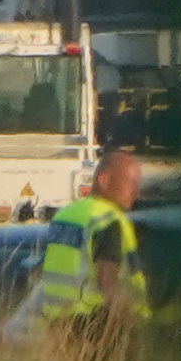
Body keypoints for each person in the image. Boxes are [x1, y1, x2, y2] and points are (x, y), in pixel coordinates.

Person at [38, 145, 145, 342]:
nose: (136, 192)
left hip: (56, 324)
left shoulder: (66, 215)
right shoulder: (106, 221)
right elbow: (108, 283)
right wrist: (134, 328)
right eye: (131, 183)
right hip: (94, 327)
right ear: (104, 180)